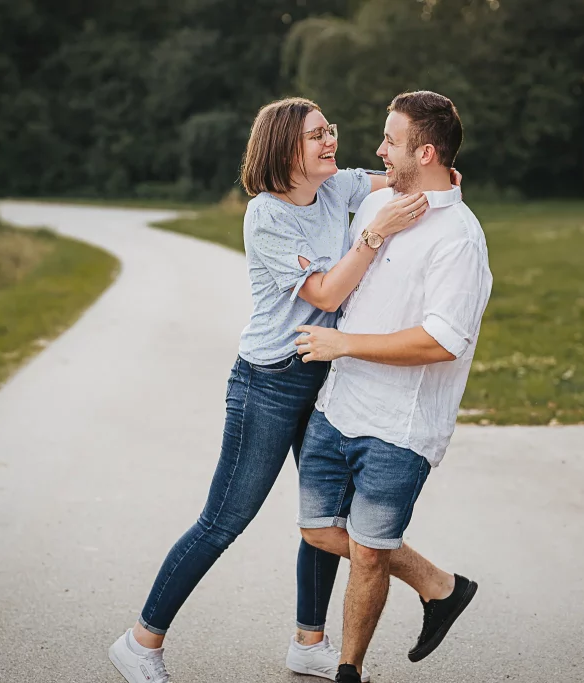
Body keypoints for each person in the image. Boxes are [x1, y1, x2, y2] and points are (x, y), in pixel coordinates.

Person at [107, 97, 457, 683]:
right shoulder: (265, 216)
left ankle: (310, 643)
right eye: (317, 135)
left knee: (324, 515)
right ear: (284, 151)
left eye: (330, 130)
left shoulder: (339, 188)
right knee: (224, 518)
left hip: (325, 374)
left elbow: (396, 177)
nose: (330, 141)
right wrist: (373, 235)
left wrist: (439, 180)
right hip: (267, 383)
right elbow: (323, 294)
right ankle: (141, 641)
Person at [294, 91, 493, 683]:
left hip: (399, 426)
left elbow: (441, 341)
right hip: (339, 407)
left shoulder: (458, 236)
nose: (378, 151)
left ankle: (349, 670)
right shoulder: (381, 203)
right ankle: (440, 586)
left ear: (425, 152)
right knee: (317, 530)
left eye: (391, 141)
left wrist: (343, 345)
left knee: (372, 552)